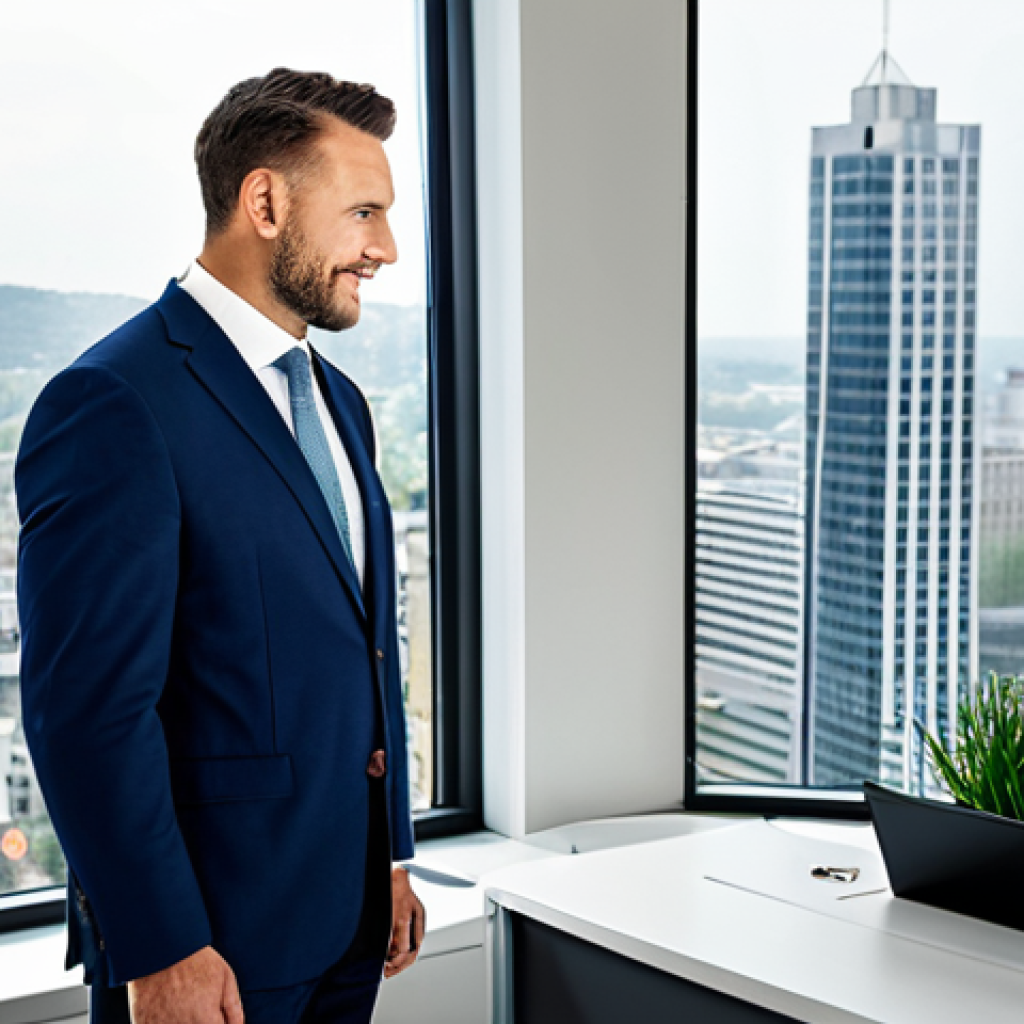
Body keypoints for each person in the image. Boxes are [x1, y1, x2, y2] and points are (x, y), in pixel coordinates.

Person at [15, 68, 425, 1024]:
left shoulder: (341, 403)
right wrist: (161, 949)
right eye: (364, 213)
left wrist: (389, 858)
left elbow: (363, 647)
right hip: (210, 948)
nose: (387, 248)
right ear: (267, 202)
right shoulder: (115, 403)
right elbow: (88, 714)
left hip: (347, 922)